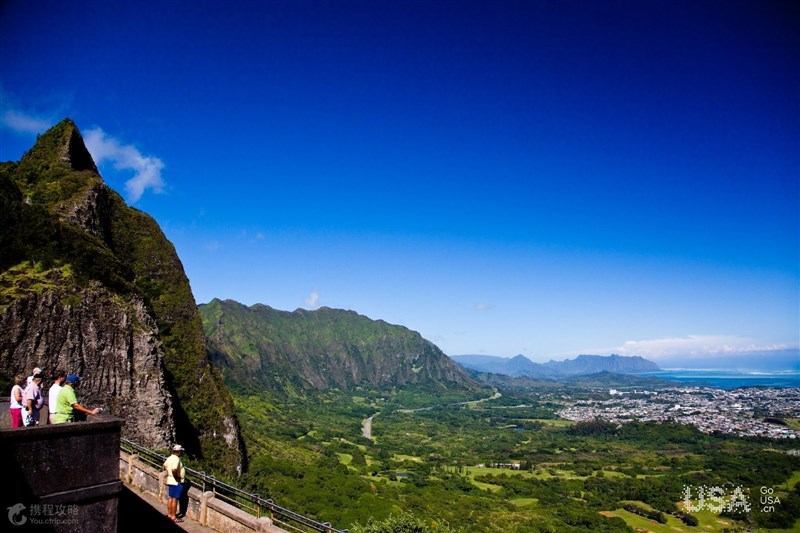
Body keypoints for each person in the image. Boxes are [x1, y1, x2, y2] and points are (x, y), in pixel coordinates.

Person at [163, 444, 186, 523]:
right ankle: (173, 516)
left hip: (170, 480)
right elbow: (174, 469)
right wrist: (177, 477)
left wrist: (169, 473)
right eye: (181, 451)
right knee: (175, 499)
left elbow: (164, 466)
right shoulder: (176, 459)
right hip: (176, 482)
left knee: (171, 498)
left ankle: (169, 514)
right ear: (179, 452)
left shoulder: (169, 458)